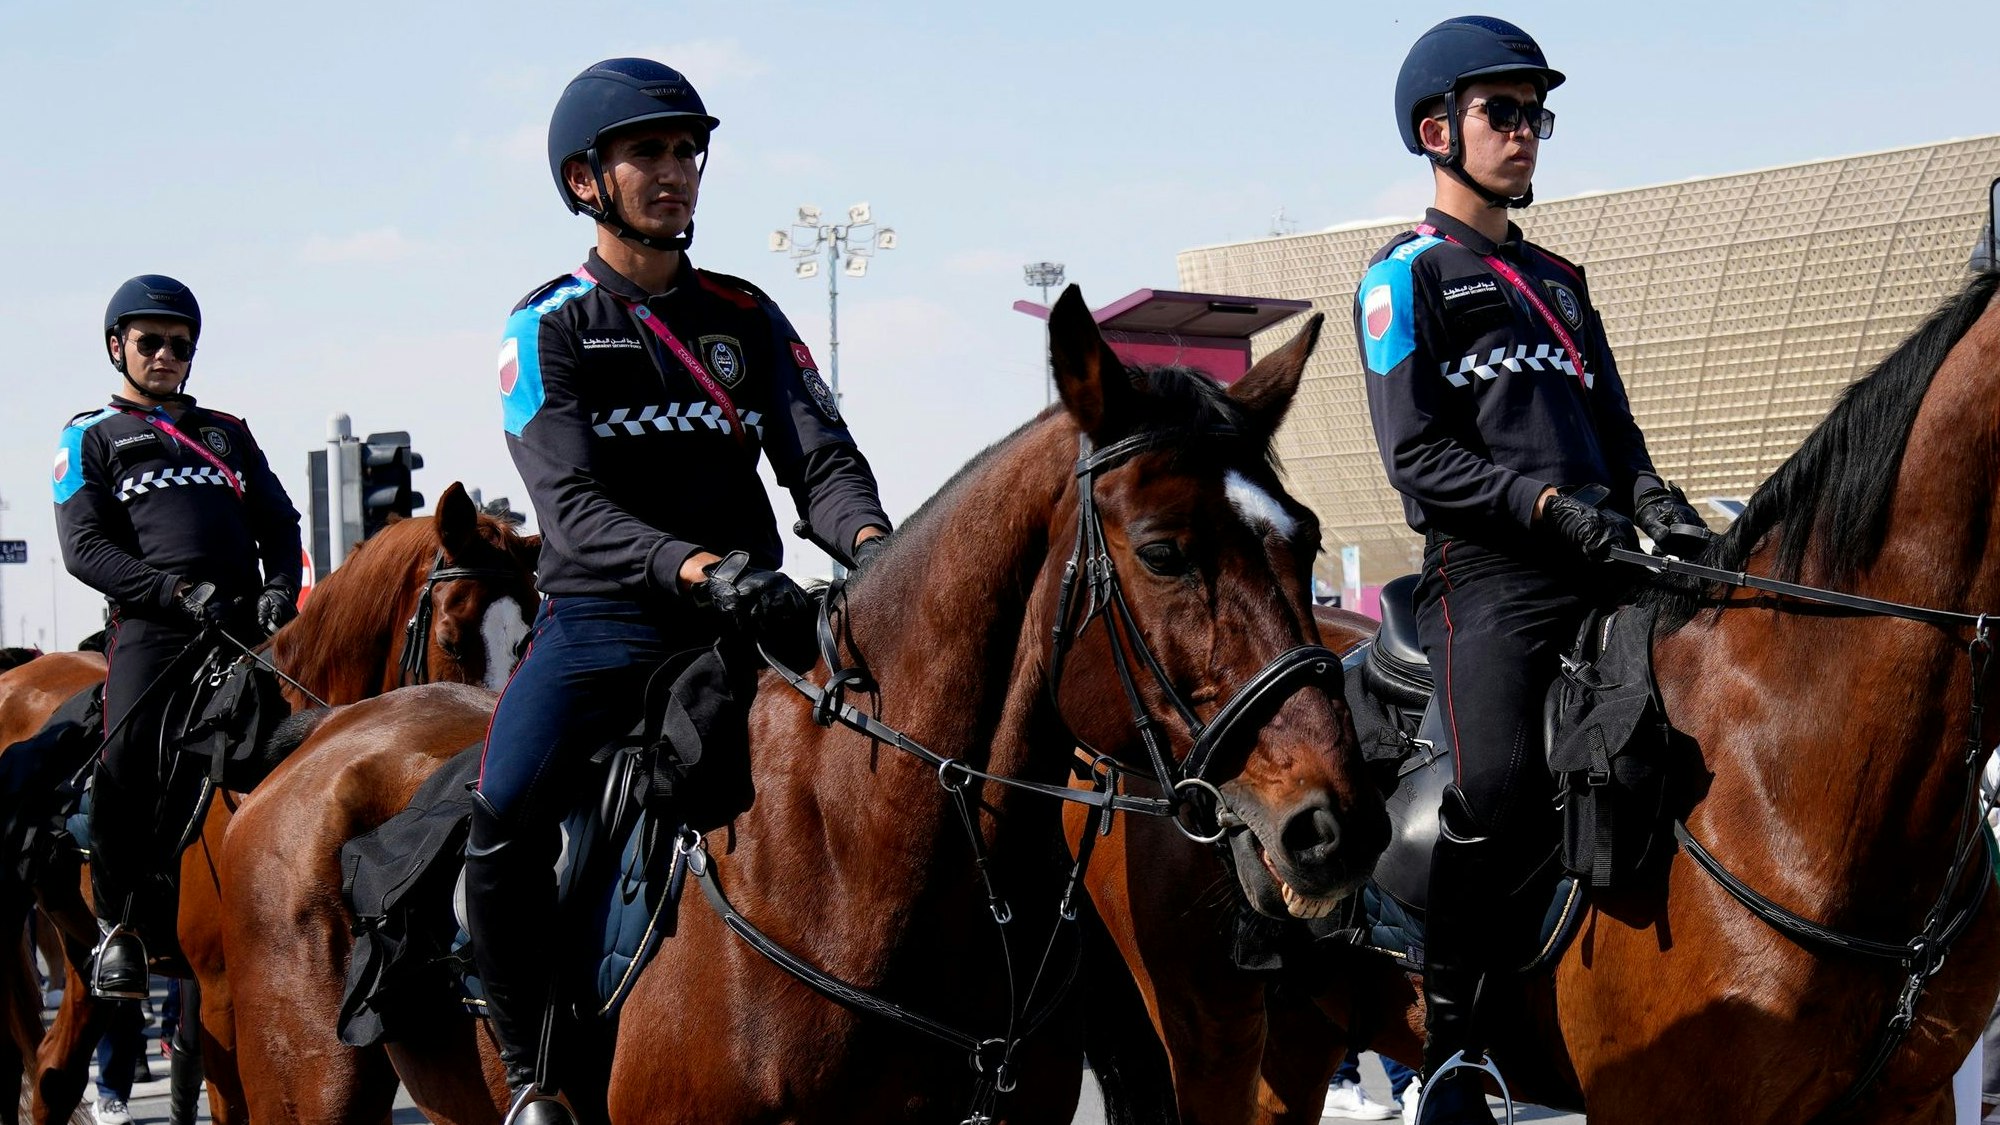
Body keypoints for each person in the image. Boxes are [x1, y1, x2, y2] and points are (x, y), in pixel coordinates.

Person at [475, 58, 892, 1124]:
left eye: (686, 151)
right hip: (606, 631)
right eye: (646, 153)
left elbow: (822, 461)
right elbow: (571, 510)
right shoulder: (549, 325)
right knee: (504, 812)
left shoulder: (746, 315)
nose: (675, 173)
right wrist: (702, 570)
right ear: (583, 180)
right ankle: (530, 1072)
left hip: (753, 626)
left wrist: (873, 545)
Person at [1354, 18, 1711, 1125]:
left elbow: (1614, 426)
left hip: (1605, 562)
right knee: (1494, 788)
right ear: (1434, 130)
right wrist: (1547, 509)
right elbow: (1416, 459)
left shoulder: (1559, 279)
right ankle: (1454, 1050)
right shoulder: (1398, 277)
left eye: (1534, 115)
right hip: (1491, 579)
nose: (1524, 134)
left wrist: (1657, 506)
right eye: (1500, 113)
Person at [54, 275, 303, 1000]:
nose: (165, 354)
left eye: (179, 344)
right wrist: (169, 591)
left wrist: (280, 586)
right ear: (116, 348)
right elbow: (83, 547)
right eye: (149, 342)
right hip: (156, 627)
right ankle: (119, 926)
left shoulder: (227, 430)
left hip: (247, 626)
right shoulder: (90, 437)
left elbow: (279, 521)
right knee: (128, 752)